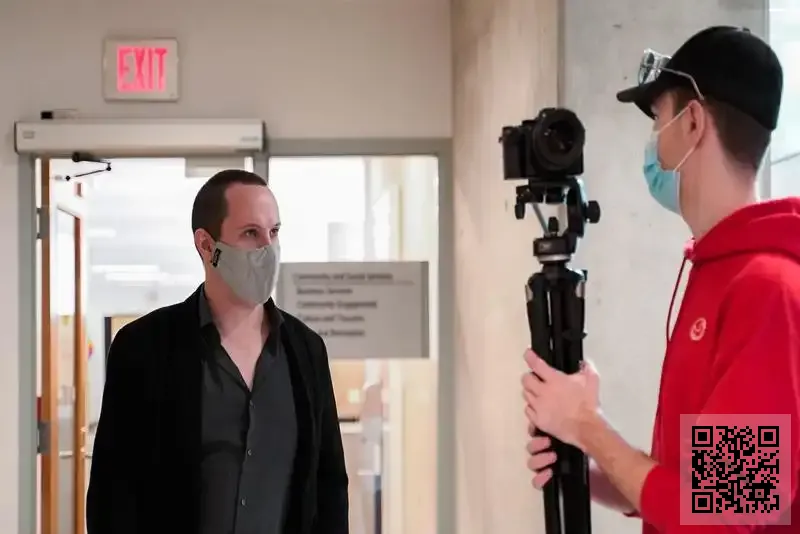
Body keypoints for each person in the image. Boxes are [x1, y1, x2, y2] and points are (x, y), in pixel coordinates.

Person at [521, 26, 800, 533]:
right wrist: (588, 463)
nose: (654, 142)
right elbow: (692, 485)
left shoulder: (765, 290)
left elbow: (721, 515)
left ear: (692, 122)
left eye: (658, 119)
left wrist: (588, 425)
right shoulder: (717, 271)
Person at [87, 169, 349, 534]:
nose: (267, 249)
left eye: (274, 232)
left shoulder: (305, 350)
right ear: (207, 245)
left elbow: (329, 485)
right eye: (250, 233)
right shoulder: (143, 349)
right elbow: (113, 493)